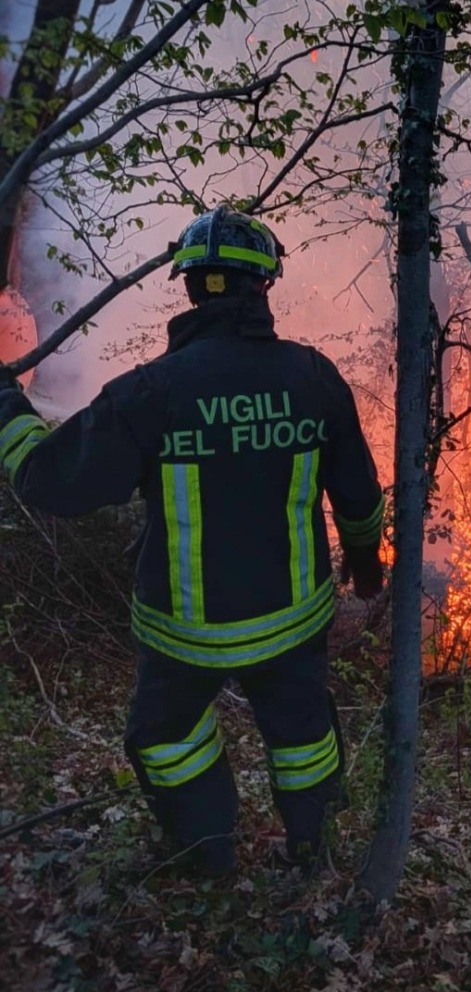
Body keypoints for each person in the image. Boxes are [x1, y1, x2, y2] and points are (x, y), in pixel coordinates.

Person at [0, 205, 384, 876]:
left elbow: (48, 482)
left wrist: (6, 405)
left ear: (187, 285)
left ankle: (209, 856)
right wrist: (365, 566)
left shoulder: (152, 392)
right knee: (302, 738)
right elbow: (358, 493)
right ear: (263, 287)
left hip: (185, 634)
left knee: (167, 738)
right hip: (292, 624)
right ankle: (311, 850)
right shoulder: (311, 377)